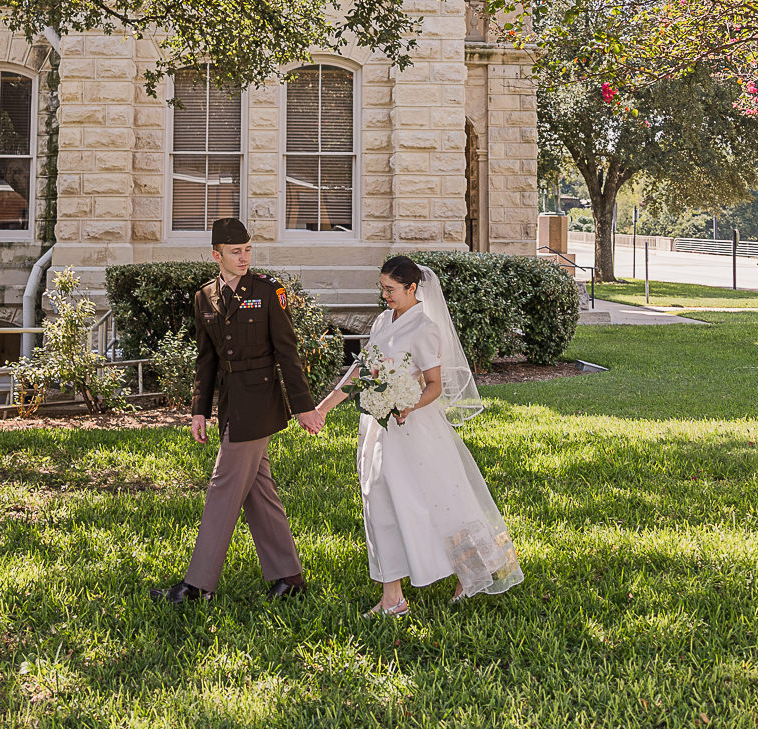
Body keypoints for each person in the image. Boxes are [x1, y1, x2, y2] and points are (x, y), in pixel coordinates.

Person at [313, 255, 523, 616]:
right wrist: (323, 407)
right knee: (379, 504)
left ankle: (474, 565)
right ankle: (393, 597)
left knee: (443, 500)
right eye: (382, 289)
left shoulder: (424, 328)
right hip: (378, 428)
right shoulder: (381, 321)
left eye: (391, 289)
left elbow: (434, 385)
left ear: (412, 288)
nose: (385, 296)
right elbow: (361, 370)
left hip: (415, 428)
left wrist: (407, 405)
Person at [151, 217, 322, 605]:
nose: (243, 257)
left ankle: (198, 586)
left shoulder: (267, 291)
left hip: (259, 402)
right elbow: (206, 358)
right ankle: (289, 578)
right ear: (217, 255)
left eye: (247, 250)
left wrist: (303, 407)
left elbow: (287, 354)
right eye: (235, 252)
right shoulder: (204, 296)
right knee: (257, 490)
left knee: (223, 487)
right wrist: (199, 409)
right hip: (230, 403)